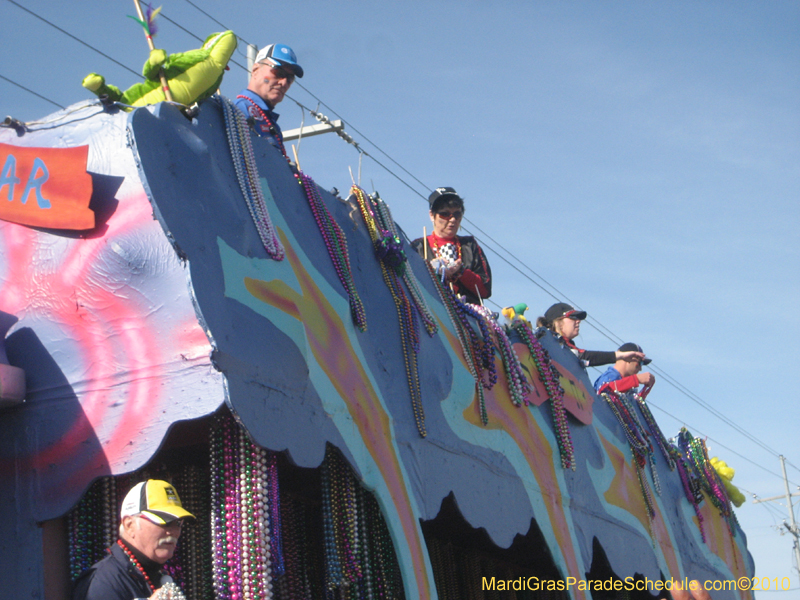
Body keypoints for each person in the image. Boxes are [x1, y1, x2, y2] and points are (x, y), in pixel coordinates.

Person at [73, 479, 195, 600]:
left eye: (178, 523)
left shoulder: (157, 576)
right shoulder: (102, 582)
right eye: (164, 522)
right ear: (129, 525)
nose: (173, 531)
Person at [411, 187, 492, 304]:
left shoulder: (469, 245)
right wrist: (430, 270)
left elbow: (485, 289)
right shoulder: (418, 247)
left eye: (457, 214)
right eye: (445, 214)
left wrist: (461, 272)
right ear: (432, 215)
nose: (452, 219)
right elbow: (409, 282)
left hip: (467, 312)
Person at [234, 43, 304, 152]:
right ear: (255, 70)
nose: (284, 82)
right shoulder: (240, 110)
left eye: (290, 78)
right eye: (278, 72)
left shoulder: (271, 122)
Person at [536, 302, 644, 368]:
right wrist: (619, 355)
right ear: (558, 322)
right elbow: (584, 356)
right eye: (573, 317)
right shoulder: (547, 342)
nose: (578, 321)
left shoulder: (566, 346)